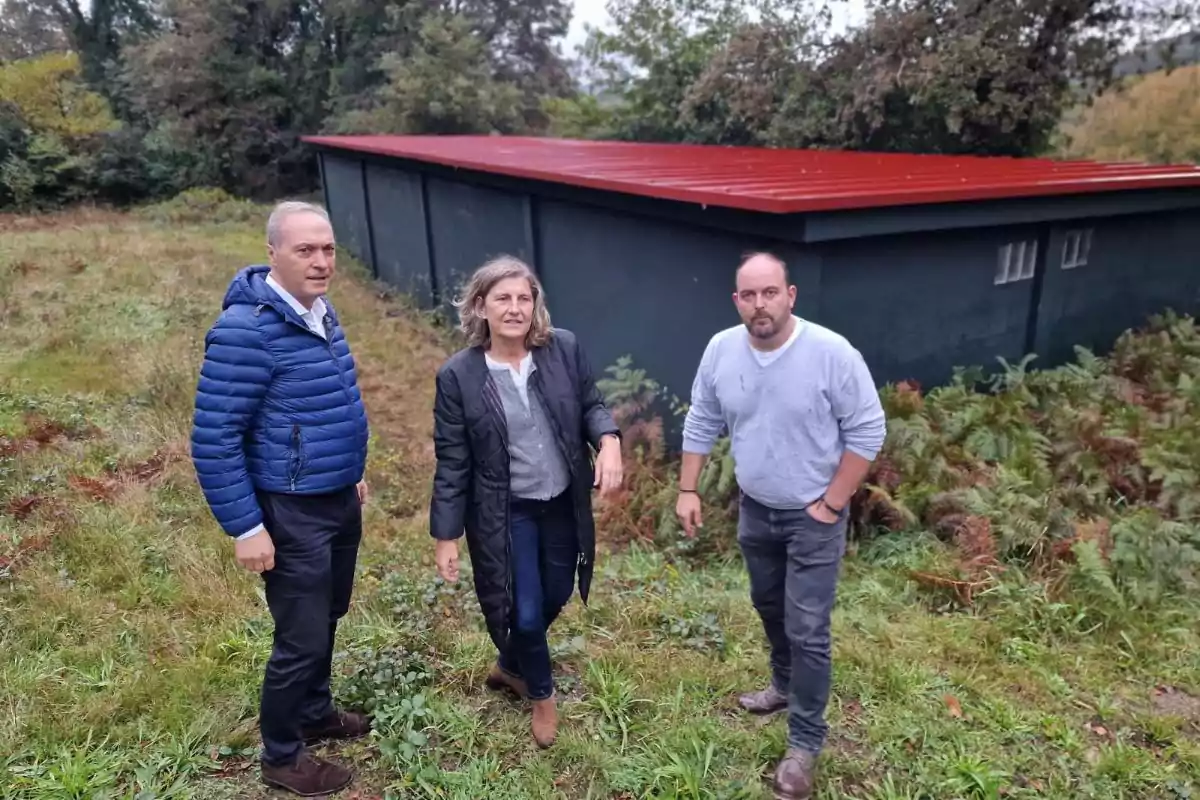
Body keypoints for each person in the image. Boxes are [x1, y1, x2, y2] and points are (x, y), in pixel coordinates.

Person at [676, 252, 886, 800]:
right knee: (768, 605)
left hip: (813, 516)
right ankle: (783, 685)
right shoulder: (722, 349)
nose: (759, 304)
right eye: (749, 295)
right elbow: (701, 416)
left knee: (808, 627)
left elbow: (867, 428)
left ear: (790, 295)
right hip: (756, 509)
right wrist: (688, 488)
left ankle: (804, 744)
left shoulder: (831, 353)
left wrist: (832, 503)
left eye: (769, 292)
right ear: (736, 301)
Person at [190, 200, 372, 797]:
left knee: (329, 613)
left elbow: (329, 403)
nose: (321, 263)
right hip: (289, 508)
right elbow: (215, 440)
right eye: (306, 250)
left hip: (336, 498)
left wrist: (352, 472)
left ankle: (314, 712)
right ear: (273, 253)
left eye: (328, 250)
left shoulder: (322, 312)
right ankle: (282, 754)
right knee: (300, 636)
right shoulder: (245, 332)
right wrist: (246, 527)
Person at [429, 254, 623, 748]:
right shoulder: (459, 376)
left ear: (534, 304)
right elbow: (453, 462)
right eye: (503, 299)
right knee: (527, 612)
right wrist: (446, 534)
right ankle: (541, 694)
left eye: (524, 298)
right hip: (505, 511)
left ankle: (510, 665)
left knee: (557, 593)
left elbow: (592, 405)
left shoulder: (563, 350)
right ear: (480, 306)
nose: (515, 308)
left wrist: (610, 441)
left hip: (561, 502)